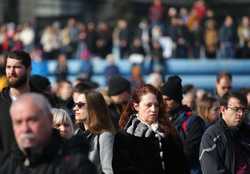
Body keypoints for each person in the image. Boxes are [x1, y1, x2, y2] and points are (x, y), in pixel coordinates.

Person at [0, 93, 96, 174]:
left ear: (49, 120)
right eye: (18, 122)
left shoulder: (75, 166)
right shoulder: (6, 165)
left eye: (32, 120)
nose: (25, 128)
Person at [113, 84, 189, 174]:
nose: (153, 109)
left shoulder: (169, 133)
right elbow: (122, 169)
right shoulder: (124, 137)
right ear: (136, 106)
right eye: (148, 105)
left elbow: (182, 167)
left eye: (156, 105)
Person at [199, 92, 249, 174]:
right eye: (236, 109)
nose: (241, 114)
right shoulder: (212, 136)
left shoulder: (247, 132)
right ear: (223, 109)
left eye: (243, 110)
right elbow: (212, 170)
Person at [73, 90, 115, 174]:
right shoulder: (77, 132)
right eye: (75, 104)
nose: (75, 108)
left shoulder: (104, 136)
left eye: (80, 105)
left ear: (93, 107)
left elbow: (107, 171)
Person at [0, 51, 32, 160]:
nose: (11, 72)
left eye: (16, 67)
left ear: (28, 70)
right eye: (8, 67)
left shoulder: (43, 101)